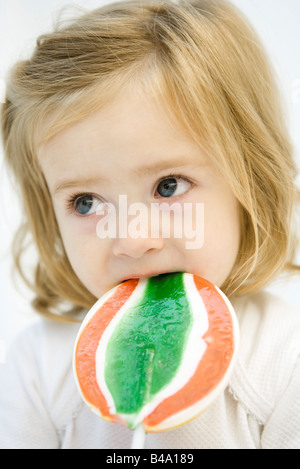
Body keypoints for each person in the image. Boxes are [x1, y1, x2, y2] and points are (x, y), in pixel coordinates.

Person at [1, 0, 300, 449]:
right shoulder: (38, 366)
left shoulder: (285, 356)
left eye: (168, 186)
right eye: (86, 202)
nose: (133, 240)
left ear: (249, 182)